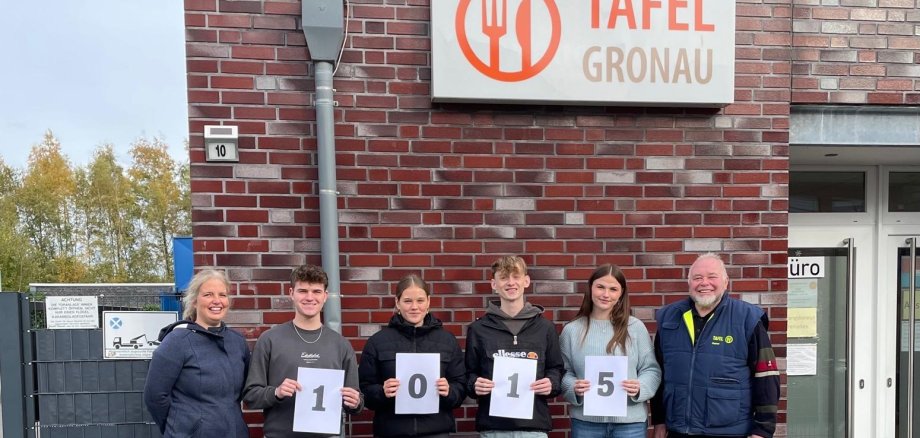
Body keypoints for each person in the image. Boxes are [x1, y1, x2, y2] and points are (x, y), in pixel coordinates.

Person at [650, 253, 780, 438]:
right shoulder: (669, 318)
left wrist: (763, 430)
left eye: (712, 276)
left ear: (726, 282)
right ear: (689, 283)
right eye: (697, 278)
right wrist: (659, 421)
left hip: (729, 431)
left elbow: (766, 376)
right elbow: (658, 374)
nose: (704, 283)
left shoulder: (748, 319)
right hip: (678, 431)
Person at [242, 264, 363, 438]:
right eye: (303, 291)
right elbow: (251, 396)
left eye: (316, 291)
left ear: (325, 296)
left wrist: (355, 402)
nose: (309, 297)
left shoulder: (341, 345)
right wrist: (276, 392)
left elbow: (356, 401)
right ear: (291, 293)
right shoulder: (269, 340)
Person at [465, 255, 565, 437]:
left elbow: (556, 368)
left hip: (534, 428)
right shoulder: (478, 329)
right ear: (494, 284)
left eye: (516, 276)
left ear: (526, 281)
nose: (511, 282)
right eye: (504, 277)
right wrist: (474, 384)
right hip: (493, 428)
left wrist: (552, 383)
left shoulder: (545, 328)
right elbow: (468, 374)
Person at [144, 269, 251, 438]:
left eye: (222, 295)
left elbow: (246, 390)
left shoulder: (237, 342)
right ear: (194, 301)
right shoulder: (176, 341)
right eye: (208, 294)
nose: (217, 301)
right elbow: (155, 397)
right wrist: (180, 427)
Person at [358, 274, 467, 438]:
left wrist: (449, 391)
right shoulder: (378, 342)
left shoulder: (447, 341)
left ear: (428, 302)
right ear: (397, 303)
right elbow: (364, 389)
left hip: (436, 432)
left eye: (420, 300)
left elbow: (461, 386)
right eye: (408, 301)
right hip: (392, 432)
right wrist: (382, 391)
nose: (414, 307)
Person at [560, 264, 661, 438]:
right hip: (586, 423)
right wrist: (572, 386)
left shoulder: (635, 327)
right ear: (590, 288)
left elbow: (651, 369)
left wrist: (640, 386)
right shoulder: (572, 330)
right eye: (600, 287)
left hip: (630, 424)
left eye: (613, 289)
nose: (606, 294)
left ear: (621, 293)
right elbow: (563, 372)